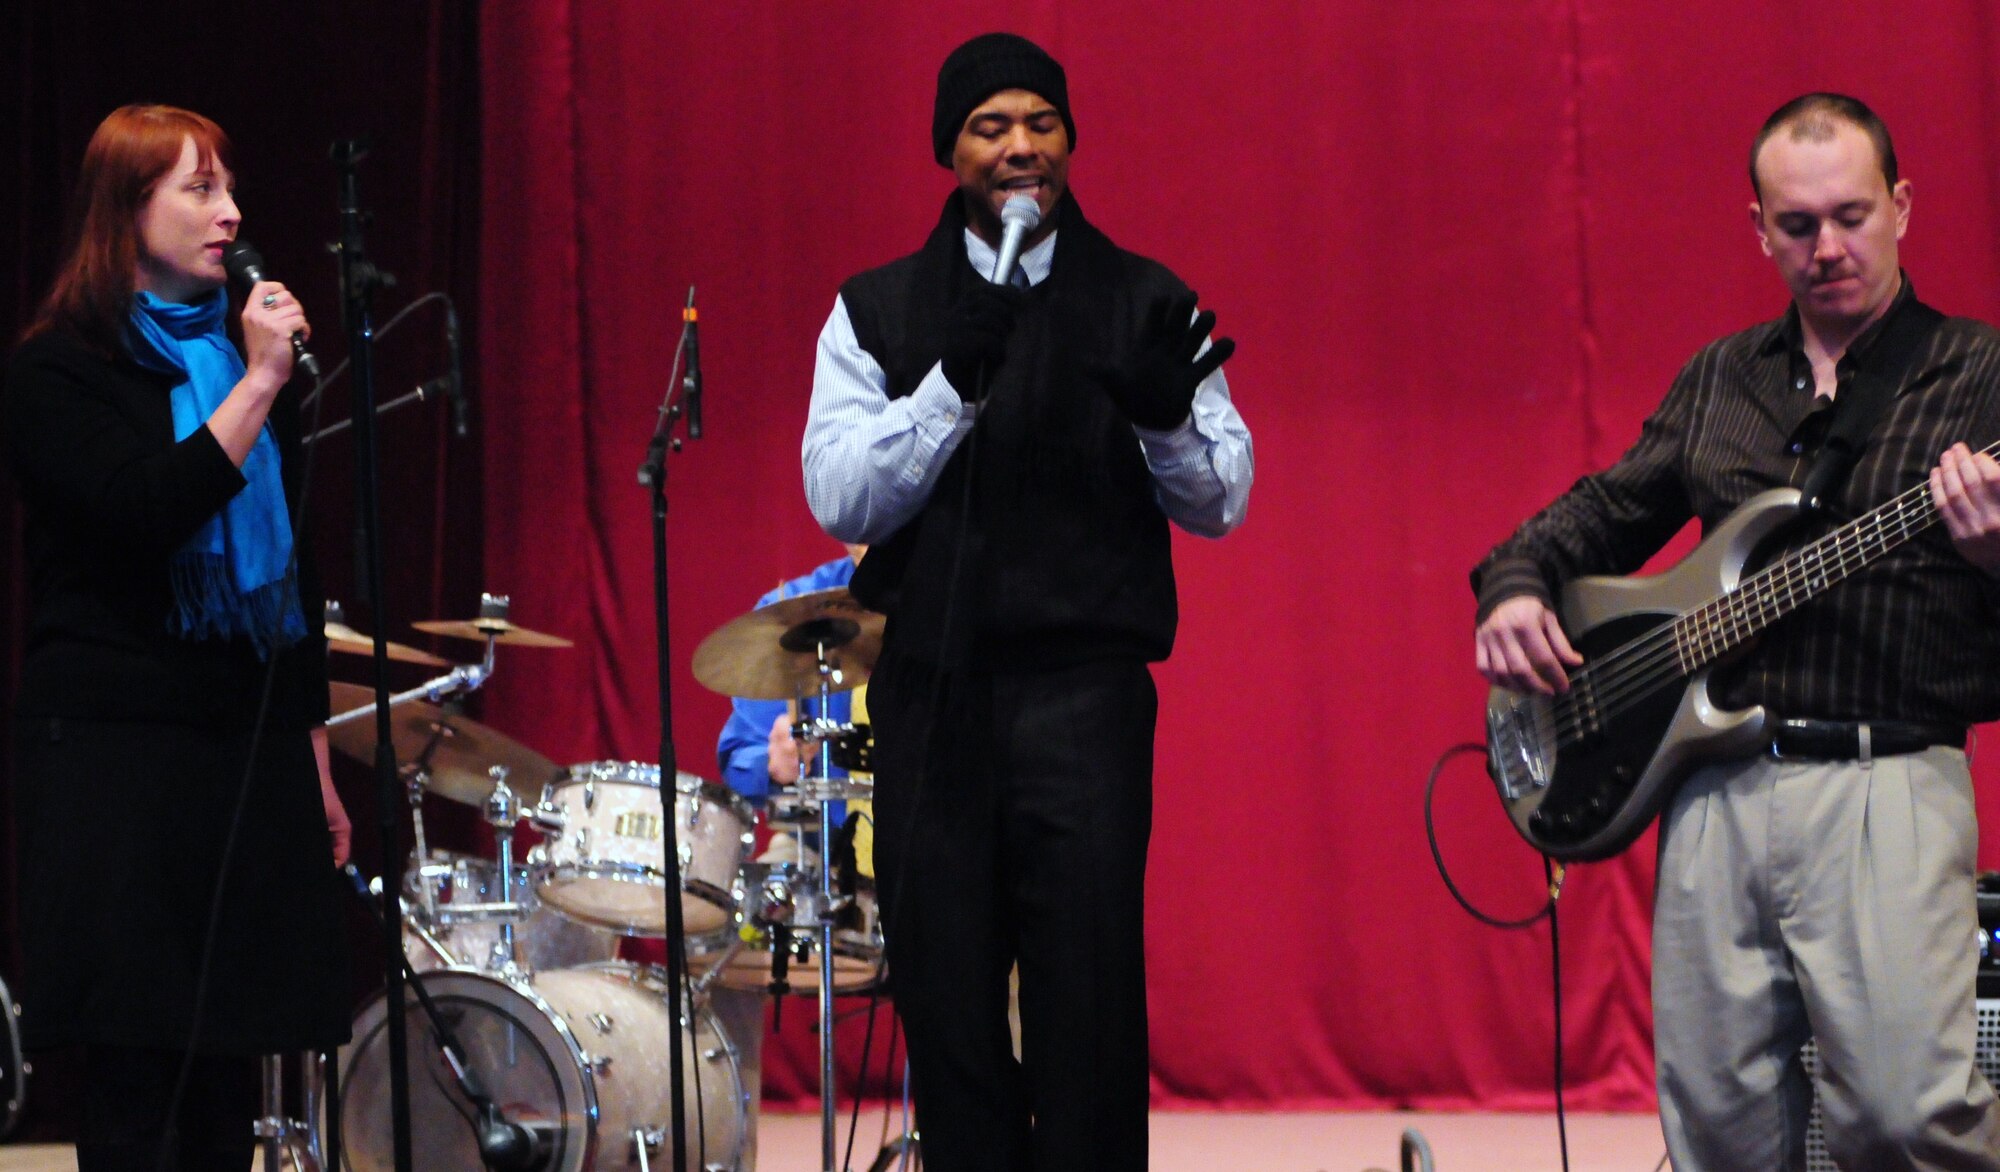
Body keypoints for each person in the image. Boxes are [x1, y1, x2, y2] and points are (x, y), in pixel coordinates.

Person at [1472, 93, 2000, 1171]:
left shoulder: (1978, 374)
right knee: (1715, 1128)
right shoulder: (1723, 376)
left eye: (1851, 215)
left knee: (1908, 1116)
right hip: (1711, 791)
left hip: (1882, 777)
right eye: (1796, 224)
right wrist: (1514, 587)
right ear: (1755, 227)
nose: (1827, 246)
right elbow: (1598, 510)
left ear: (1900, 207)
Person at [801, 32, 1252, 1171]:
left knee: (1086, 1010)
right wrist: (948, 385)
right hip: (930, 702)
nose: (1018, 149)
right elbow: (836, 489)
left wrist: (1162, 419)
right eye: (989, 127)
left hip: (1081, 703)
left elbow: (1224, 498)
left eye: (1039, 123)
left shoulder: (1143, 300)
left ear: (1069, 139)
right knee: (947, 1009)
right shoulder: (878, 309)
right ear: (948, 151)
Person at [3, 105, 350, 1170]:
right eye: (197, 188)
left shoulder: (254, 368)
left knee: (225, 1066)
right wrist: (253, 385)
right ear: (126, 210)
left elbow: (289, 584)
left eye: (228, 185)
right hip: (115, 755)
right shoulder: (59, 370)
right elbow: (143, 509)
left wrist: (318, 763)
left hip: (234, 744)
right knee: (139, 1072)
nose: (230, 211)